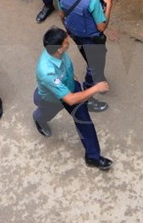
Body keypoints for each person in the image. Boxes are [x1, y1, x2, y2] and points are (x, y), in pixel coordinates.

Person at [34, 26, 112, 170]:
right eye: (65, 41)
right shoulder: (47, 71)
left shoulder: (59, 53)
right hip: (53, 99)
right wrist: (95, 88)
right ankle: (38, 118)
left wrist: (75, 82)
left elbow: (67, 70)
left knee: (85, 123)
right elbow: (69, 99)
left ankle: (92, 157)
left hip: (69, 87)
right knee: (44, 114)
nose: (68, 41)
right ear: (59, 49)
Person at [57, 0, 111, 113]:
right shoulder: (92, 0)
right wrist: (109, 5)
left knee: (88, 57)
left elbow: (62, 14)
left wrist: (68, 29)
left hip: (74, 34)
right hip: (92, 39)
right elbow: (101, 26)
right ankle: (88, 97)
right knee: (94, 67)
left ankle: (98, 76)